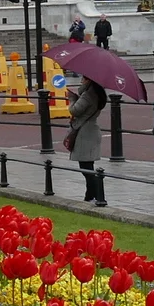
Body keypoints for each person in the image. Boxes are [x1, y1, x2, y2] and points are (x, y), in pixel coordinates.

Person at [64, 73, 108, 207]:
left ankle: (96, 195)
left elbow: (75, 110)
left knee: (86, 168)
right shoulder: (96, 92)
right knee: (88, 167)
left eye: (83, 78)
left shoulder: (89, 94)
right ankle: (90, 196)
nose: (81, 81)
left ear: (88, 80)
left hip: (85, 134)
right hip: (90, 131)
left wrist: (72, 99)